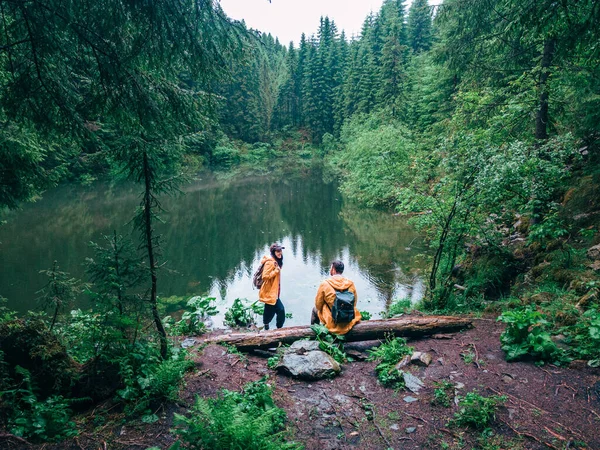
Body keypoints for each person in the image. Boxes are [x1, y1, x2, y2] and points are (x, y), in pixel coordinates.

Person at [312, 260, 361, 335]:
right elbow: (354, 303)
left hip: (332, 323)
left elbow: (318, 305)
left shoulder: (325, 284)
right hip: (348, 321)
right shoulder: (351, 284)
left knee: (315, 309)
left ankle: (315, 334)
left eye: (331, 268)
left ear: (333, 270)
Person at [258, 243, 286, 330]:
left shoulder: (276, 261)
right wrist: (276, 271)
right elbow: (265, 276)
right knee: (279, 310)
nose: (280, 253)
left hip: (274, 292)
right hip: (269, 292)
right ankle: (275, 328)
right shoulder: (270, 263)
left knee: (272, 310)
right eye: (278, 251)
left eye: (280, 250)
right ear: (273, 252)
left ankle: (273, 328)